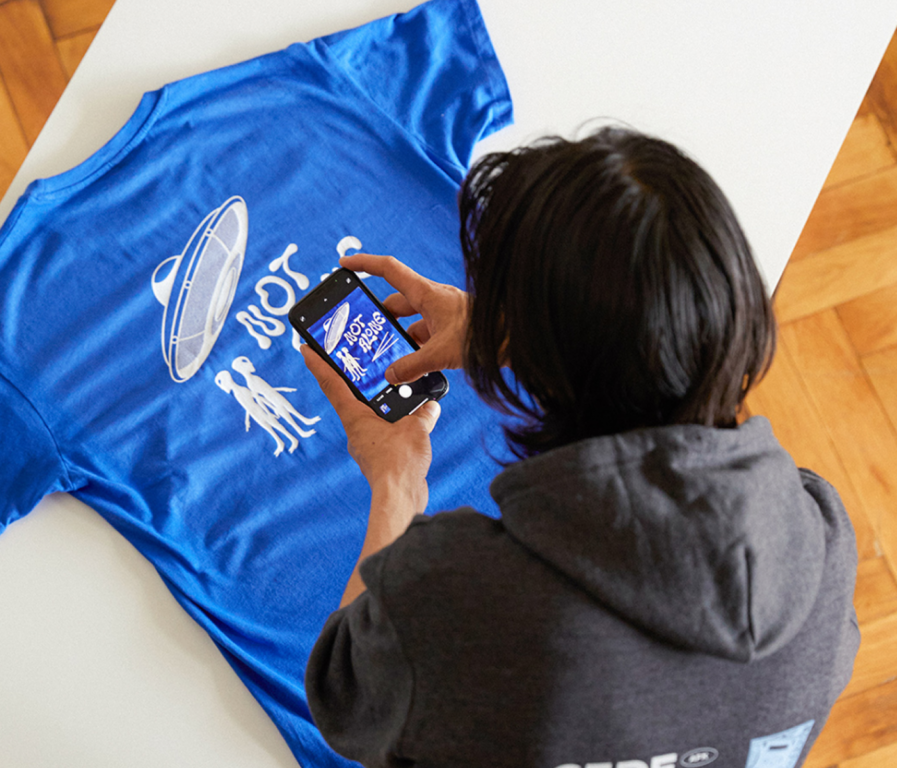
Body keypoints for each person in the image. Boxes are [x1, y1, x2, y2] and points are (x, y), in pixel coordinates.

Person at [299, 128, 860, 768]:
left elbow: (343, 694)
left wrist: (397, 479)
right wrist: (523, 333)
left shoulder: (460, 599)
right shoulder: (823, 537)